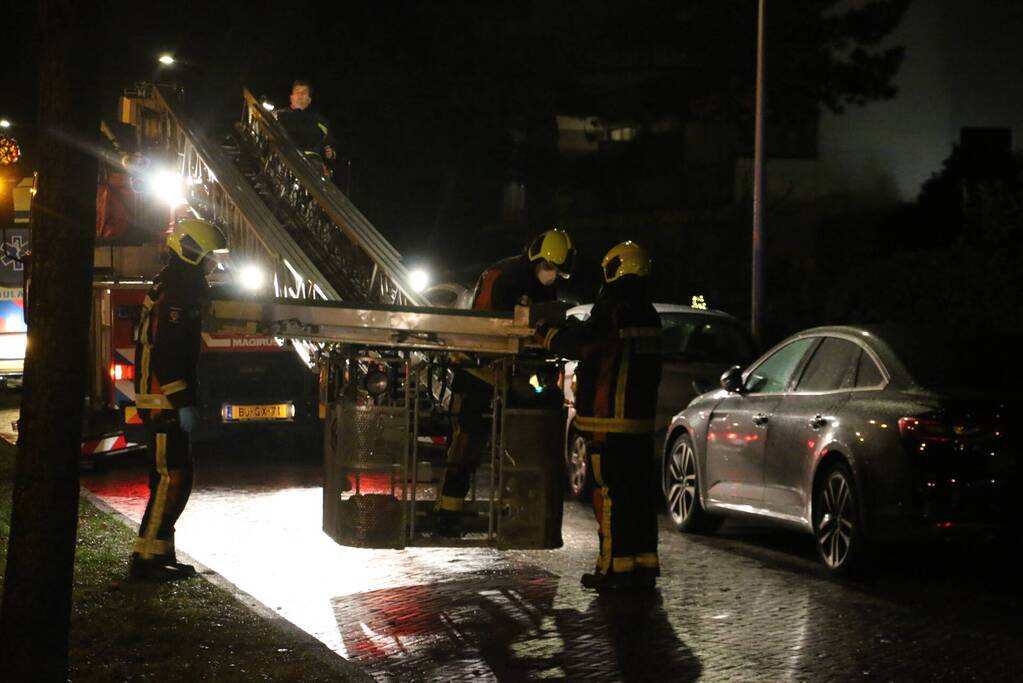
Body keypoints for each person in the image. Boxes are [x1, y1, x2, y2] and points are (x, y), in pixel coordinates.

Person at [536, 241, 662, 590]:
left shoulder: (613, 309)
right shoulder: (648, 312)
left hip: (609, 421)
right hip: (639, 423)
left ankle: (612, 569)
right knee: (638, 496)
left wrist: (547, 335)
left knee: (610, 494)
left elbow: (582, 345)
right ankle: (643, 566)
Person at [434, 229, 576, 535]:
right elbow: (485, 323)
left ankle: (520, 515)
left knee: (523, 440)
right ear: (536, 259)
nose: (552, 276)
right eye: (549, 268)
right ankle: (448, 513)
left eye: (557, 271)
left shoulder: (541, 286)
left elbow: (542, 321)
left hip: (515, 372)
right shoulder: (502, 275)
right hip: (476, 370)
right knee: (467, 442)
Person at [128, 218, 228, 581]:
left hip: (164, 401)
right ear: (190, 252)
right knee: (171, 479)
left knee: (175, 479)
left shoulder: (174, 287)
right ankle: (145, 560)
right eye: (208, 257)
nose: (212, 264)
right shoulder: (175, 295)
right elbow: (168, 355)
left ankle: (159, 553)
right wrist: (182, 401)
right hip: (163, 404)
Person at [275, 80, 336, 173]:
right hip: (283, 161)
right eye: (297, 92)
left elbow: (331, 146)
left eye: (303, 93)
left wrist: (330, 154)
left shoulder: (320, 122)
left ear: (309, 99)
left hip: (312, 167)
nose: (300, 96)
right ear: (291, 97)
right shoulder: (277, 115)